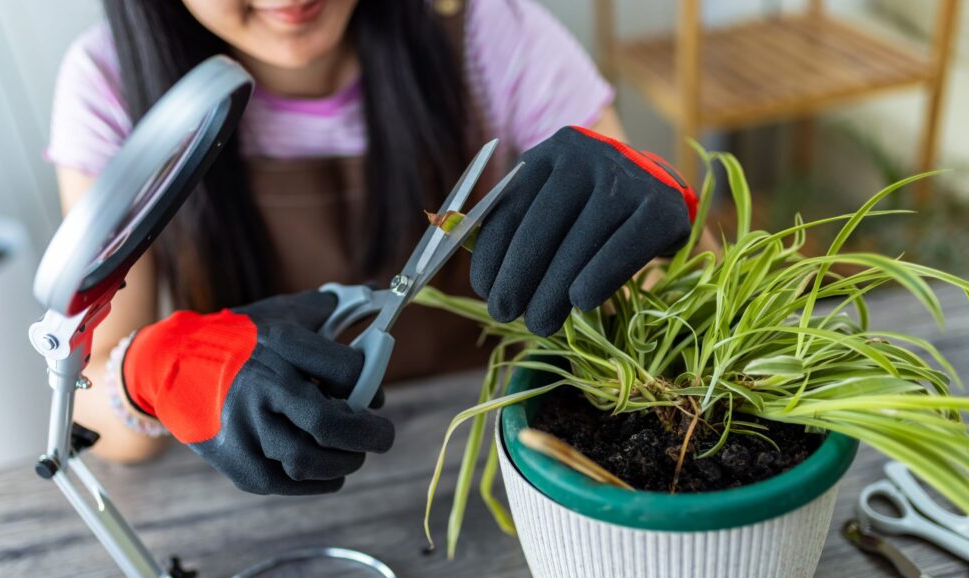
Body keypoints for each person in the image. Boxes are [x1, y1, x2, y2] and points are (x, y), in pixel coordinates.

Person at [47, 0, 699, 495]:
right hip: (267, 513)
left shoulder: (488, 33)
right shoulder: (112, 86)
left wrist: (657, 222)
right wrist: (148, 373)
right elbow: (98, 422)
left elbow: (668, 291)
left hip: (517, 467)